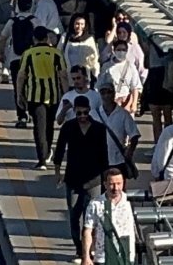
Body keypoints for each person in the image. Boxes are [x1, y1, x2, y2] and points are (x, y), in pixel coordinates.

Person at [54, 96, 111, 254]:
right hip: (73, 178)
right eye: (79, 113)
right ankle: (79, 246)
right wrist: (57, 172)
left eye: (85, 112)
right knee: (74, 215)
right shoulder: (68, 127)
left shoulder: (99, 129)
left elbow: (104, 155)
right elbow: (59, 150)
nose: (82, 116)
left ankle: (89, 249)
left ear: (89, 110)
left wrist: (106, 178)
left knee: (91, 215)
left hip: (94, 180)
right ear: (74, 111)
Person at [20, 27, 66, 168]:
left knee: (39, 128)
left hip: (35, 96)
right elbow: (63, 75)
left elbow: (22, 76)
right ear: (47, 38)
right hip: (53, 96)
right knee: (49, 126)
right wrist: (65, 94)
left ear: (34, 39)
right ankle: (46, 154)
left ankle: (42, 160)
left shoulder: (28, 54)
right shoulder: (56, 54)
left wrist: (20, 94)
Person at [80, 167, 136, 265]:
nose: (116, 188)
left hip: (126, 256)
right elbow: (88, 230)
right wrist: (86, 256)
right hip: (103, 258)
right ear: (105, 184)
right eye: (111, 184)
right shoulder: (95, 204)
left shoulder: (130, 202)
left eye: (119, 184)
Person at [0, 0, 38, 108]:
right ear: (31, 6)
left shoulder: (12, 21)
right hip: (32, 58)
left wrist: (1, 53)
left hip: (14, 57)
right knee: (31, 85)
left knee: (18, 86)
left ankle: (21, 115)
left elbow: (2, 38)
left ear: (18, 6)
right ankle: (31, 110)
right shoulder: (35, 21)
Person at [97, 82, 141, 180]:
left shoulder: (123, 114)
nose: (106, 95)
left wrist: (130, 151)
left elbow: (134, 135)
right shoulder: (94, 114)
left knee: (119, 191)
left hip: (119, 160)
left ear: (114, 94)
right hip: (99, 160)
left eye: (109, 92)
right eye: (103, 93)